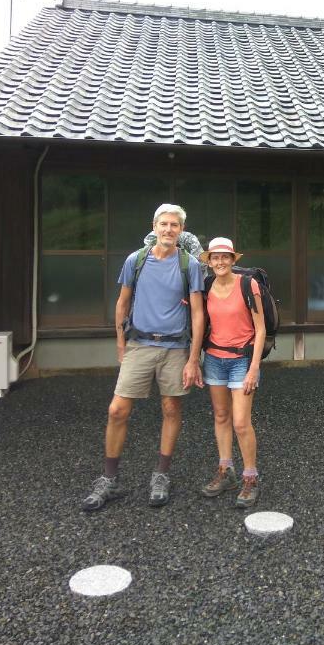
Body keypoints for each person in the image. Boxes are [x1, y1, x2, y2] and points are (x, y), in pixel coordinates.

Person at [81, 203, 205, 512]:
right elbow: (122, 304)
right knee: (117, 410)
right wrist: (121, 343)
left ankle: (161, 475)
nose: (168, 229)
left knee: (171, 408)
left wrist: (193, 359)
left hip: (176, 347)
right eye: (163, 224)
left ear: (181, 230)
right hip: (139, 343)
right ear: (154, 226)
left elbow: (199, 313)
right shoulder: (135, 260)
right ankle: (109, 478)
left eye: (174, 225)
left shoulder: (188, 264)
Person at [199, 236, 265, 508]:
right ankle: (225, 470)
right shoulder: (206, 286)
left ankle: (250, 477)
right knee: (221, 415)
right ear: (210, 261)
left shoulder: (248, 285)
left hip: (242, 360)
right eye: (215, 257)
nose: (220, 261)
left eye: (225, 256)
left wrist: (254, 368)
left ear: (233, 260)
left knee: (240, 421)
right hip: (214, 358)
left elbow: (260, 329)